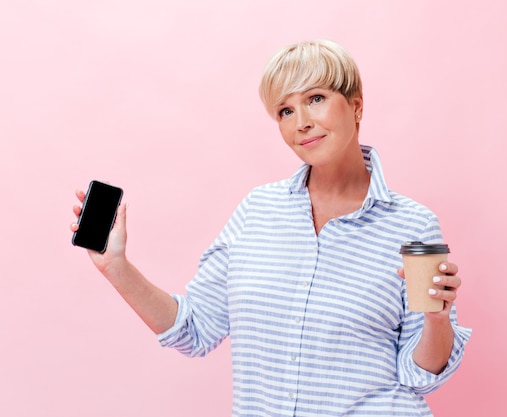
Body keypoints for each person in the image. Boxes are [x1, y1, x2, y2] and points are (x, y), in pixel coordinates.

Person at [71, 39, 471, 417]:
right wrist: (116, 267)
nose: (302, 122)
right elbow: (195, 329)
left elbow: (419, 374)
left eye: (315, 99)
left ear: (355, 106)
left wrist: (437, 318)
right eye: (285, 110)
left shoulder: (411, 225)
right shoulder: (257, 212)